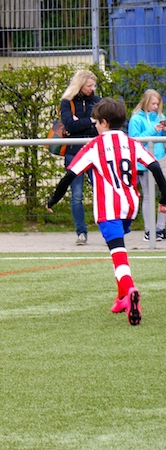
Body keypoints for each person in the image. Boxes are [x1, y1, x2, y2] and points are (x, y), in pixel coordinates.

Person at [46, 97, 166, 327]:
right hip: (130, 207)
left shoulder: (94, 146)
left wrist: (53, 199)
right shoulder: (131, 143)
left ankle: (129, 290)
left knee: (118, 252)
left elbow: (70, 175)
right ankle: (121, 298)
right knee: (117, 247)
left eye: (96, 122)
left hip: (108, 208)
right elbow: (155, 167)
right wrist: (165, 196)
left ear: (103, 123)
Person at [60, 69, 100, 246]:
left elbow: (100, 125)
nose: (92, 88)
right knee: (77, 195)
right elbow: (69, 125)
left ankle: (107, 230)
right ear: (80, 85)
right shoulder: (67, 102)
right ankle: (81, 232)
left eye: (94, 85)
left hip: (95, 152)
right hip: (74, 153)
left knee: (100, 192)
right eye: (89, 85)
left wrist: (81, 124)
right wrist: (90, 121)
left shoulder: (97, 102)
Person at [128, 89, 166, 242]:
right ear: (146, 102)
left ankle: (160, 228)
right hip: (144, 162)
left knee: (164, 194)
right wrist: (152, 130)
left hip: (161, 159)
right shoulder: (136, 119)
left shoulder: (161, 117)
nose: (156, 107)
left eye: (158, 104)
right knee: (149, 196)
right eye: (153, 104)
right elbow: (134, 139)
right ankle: (149, 230)